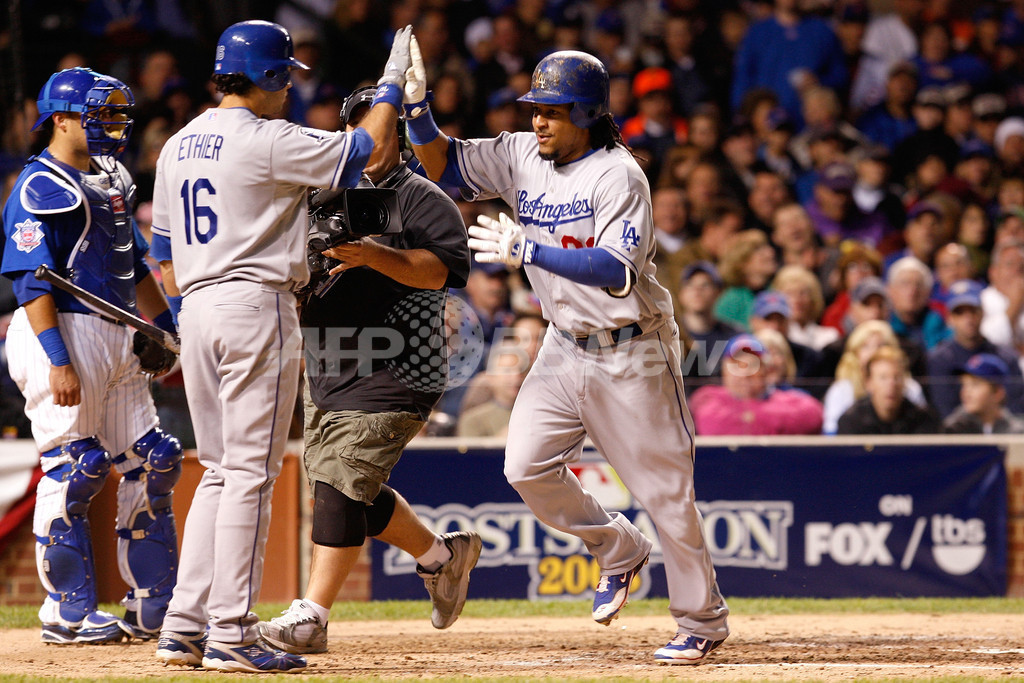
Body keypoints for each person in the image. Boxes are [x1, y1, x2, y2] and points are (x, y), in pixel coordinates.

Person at [403, 46, 729, 664]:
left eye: (553, 110)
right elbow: (444, 170)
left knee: (665, 493)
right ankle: (617, 549)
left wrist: (531, 249)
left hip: (631, 348)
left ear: (585, 111)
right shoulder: (522, 153)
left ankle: (702, 619)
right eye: (536, 109)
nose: (539, 121)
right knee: (524, 467)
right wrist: (418, 112)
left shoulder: (619, 175)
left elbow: (615, 271)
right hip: (560, 343)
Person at [149, 21, 413, 673]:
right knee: (249, 475)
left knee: (216, 469)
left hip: (199, 306)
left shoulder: (177, 143)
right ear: (266, 77)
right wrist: (392, 87)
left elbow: (161, 254)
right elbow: (370, 153)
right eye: (284, 77)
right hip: (252, 304)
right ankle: (231, 632)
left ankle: (183, 625)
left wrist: (190, 318)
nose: (289, 89)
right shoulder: (264, 138)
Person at [257, 85, 480, 654]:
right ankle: (441, 557)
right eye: (362, 127)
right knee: (350, 486)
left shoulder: (424, 198)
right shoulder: (321, 193)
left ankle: (311, 617)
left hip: (399, 367)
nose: (373, 138)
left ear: (398, 135)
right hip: (327, 368)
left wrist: (373, 253)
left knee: (338, 482)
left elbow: (442, 273)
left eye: (381, 128)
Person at [1, 68, 182, 643]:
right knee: (78, 465)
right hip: (57, 331)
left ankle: (153, 602)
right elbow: (31, 281)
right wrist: (57, 360)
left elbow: (137, 264)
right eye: (101, 115)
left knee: (156, 457)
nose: (114, 125)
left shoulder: (115, 178)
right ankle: (65, 612)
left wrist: (165, 331)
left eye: (117, 115)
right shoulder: (37, 186)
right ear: (61, 119)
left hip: (117, 331)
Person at [689, 334, 824, 435]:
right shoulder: (707, 396)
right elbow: (712, 426)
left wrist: (750, 416)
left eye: (753, 365)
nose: (745, 373)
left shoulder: (792, 399)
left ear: (767, 370)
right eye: (736, 366)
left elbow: (813, 418)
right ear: (724, 371)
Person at [926, 280, 1024, 419]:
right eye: (960, 312)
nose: (968, 318)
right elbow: (944, 411)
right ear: (950, 318)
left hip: (1002, 433)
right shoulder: (938, 360)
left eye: (973, 311)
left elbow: (1017, 409)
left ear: (982, 313)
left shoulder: (1006, 358)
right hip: (958, 436)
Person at [822, 320, 929, 435]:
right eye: (866, 346)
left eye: (881, 345)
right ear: (854, 353)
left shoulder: (911, 388)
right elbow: (832, 434)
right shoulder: (841, 391)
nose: (874, 352)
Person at [836, 345, 941, 434]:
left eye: (897, 377)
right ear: (868, 383)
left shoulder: (923, 419)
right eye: (883, 378)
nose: (891, 384)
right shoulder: (851, 421)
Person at [943, 353, 1024, 434]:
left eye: (975, 384)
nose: (966, 392)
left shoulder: (1016, 432)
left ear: (998, 392)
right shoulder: (952, 429)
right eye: (964, 385)